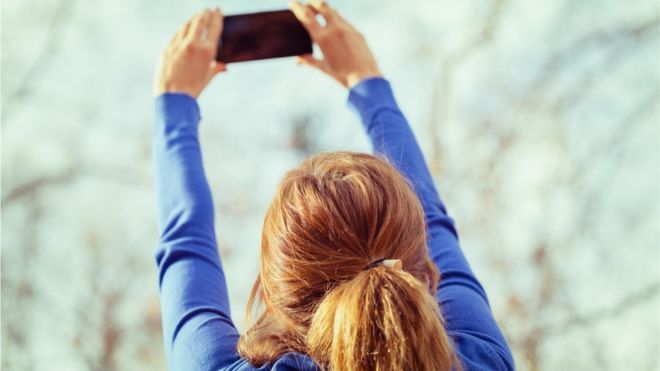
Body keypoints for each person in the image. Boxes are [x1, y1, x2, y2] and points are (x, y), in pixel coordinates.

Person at [152, 1, 514, 370]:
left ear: (274, 296)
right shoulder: (481, 359)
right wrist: (367, 81)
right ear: (426, 272)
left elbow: (186, 240)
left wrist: (173, 104)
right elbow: (431, 219)